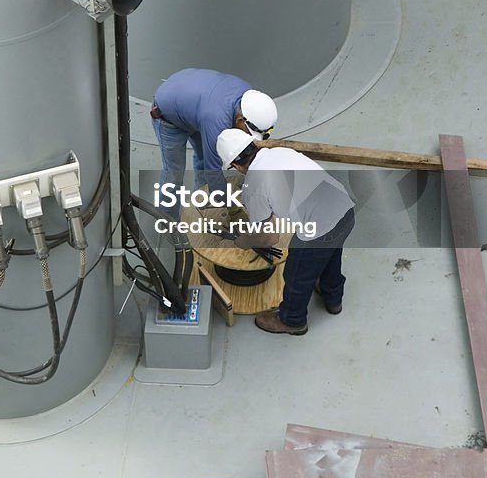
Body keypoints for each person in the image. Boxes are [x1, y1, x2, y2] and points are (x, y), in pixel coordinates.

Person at [216, 129, 355, 336]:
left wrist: (244, 240)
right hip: (345, 210)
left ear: (235, 165)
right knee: (331, 256)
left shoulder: (253, 185)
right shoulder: (280, 151)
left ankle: (293, 320)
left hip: (320, 230)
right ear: (254, 144)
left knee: (297, 275)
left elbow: (270, 237)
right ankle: (333, 299)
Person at [151, 69, 277, 195]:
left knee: (202, 159)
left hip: (195, 106)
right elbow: (213, 171)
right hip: (167, 117)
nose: (250, 137)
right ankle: (166, 214)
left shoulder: (248, 97)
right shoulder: (216, 121)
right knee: (173, 174)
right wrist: (229, 206)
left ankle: (201, 201)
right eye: (250, 133)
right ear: (239, 119)